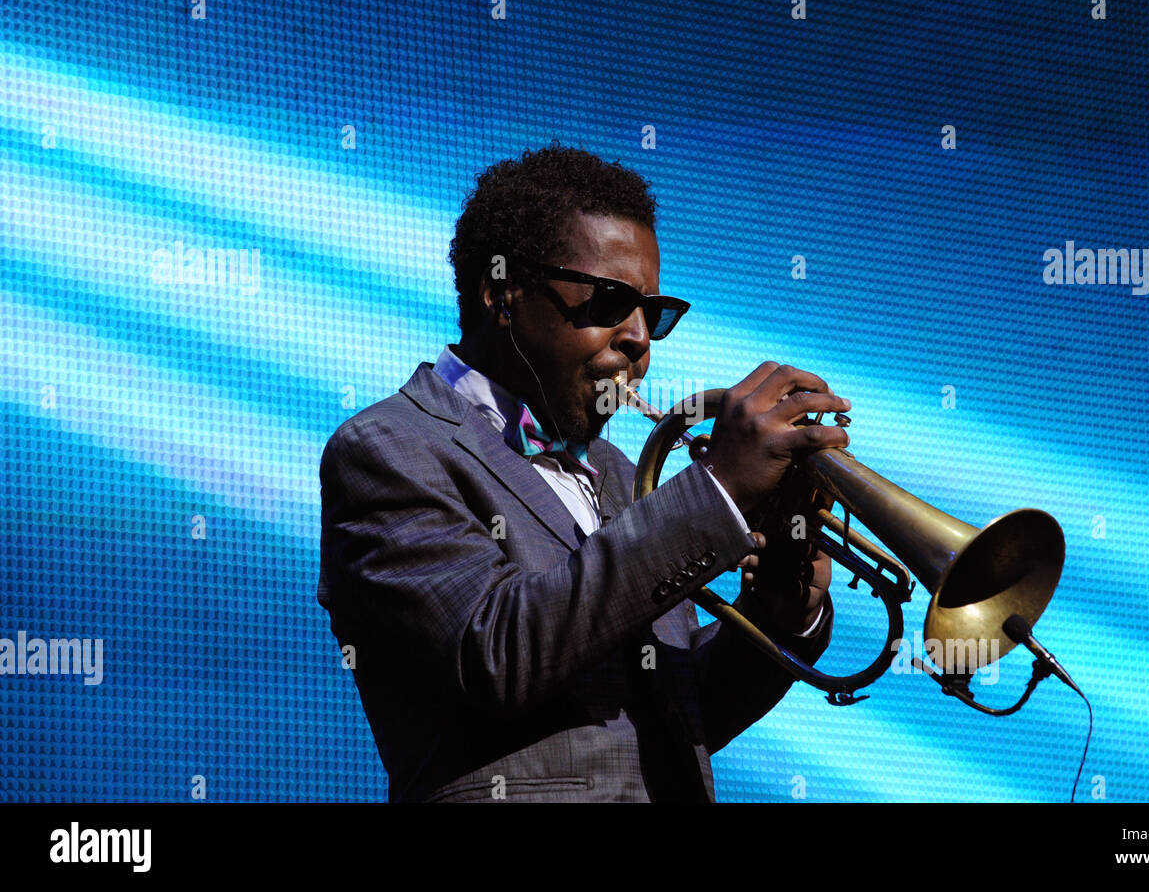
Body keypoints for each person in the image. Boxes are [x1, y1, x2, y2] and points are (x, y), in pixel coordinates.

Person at [316, 144, 851, 802]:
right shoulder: (389, 448)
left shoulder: (626, 477)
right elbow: (496, 655)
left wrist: (778, 610)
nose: (638, 338)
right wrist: (718, 492)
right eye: (608, 301)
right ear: (501, 294)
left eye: (650, 313)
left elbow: (683, 717)